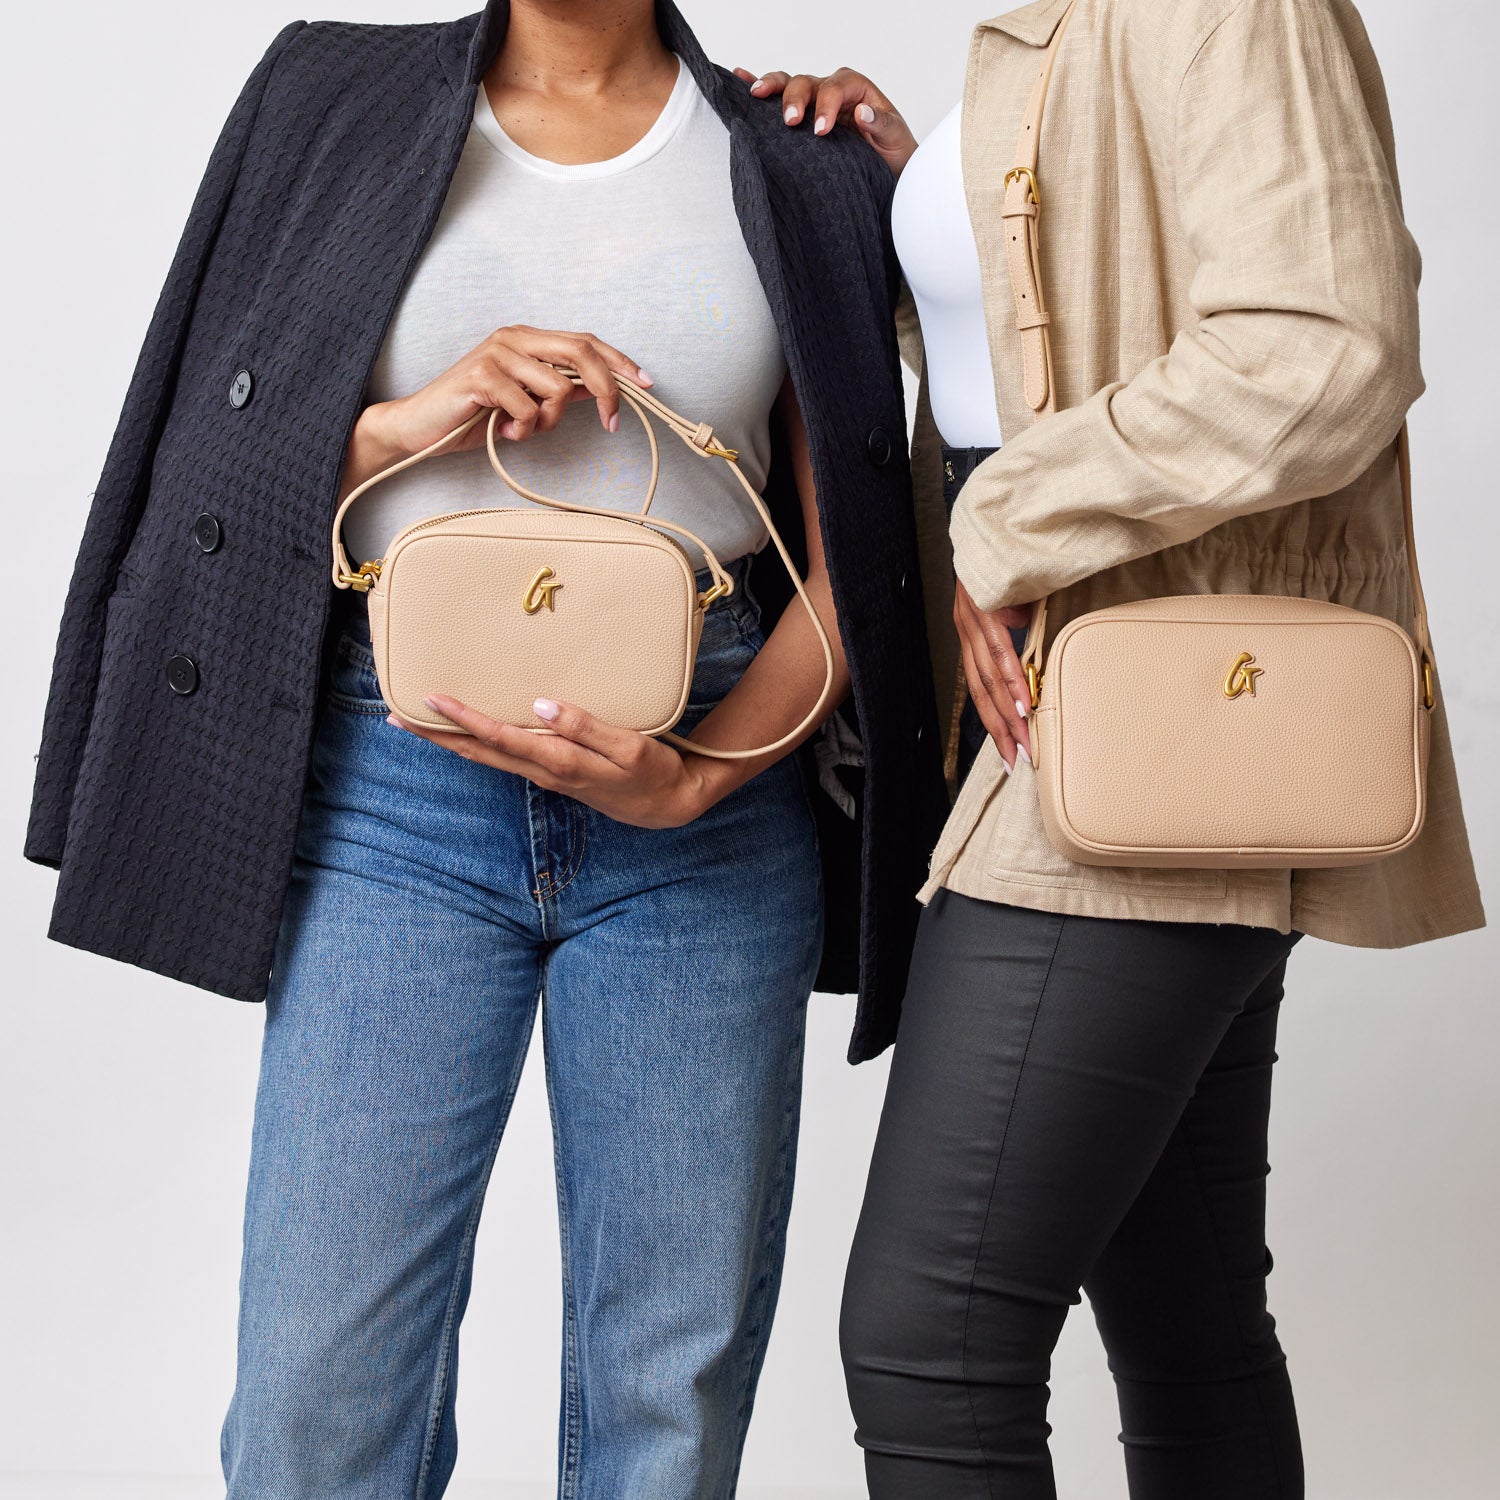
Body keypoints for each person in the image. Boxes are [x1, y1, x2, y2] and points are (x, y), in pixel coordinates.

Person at [24, 2, 947, 1495]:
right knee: (316, 1412)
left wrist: (705, 771)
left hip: (701, 813)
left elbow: (860, 560)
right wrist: (408, 424)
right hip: (394, 794)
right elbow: (197, 458)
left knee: (673, 1397)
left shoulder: (794, 154)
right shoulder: (330, 95)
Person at [745, 0, 1485, 1494]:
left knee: (932, 1339)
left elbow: (1327, 341)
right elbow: (1052, 332)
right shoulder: (1056, 23)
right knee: (1188, 1320)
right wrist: (916, 196)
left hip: (1146, 712)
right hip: (1074, 706)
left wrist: (1009, 524)